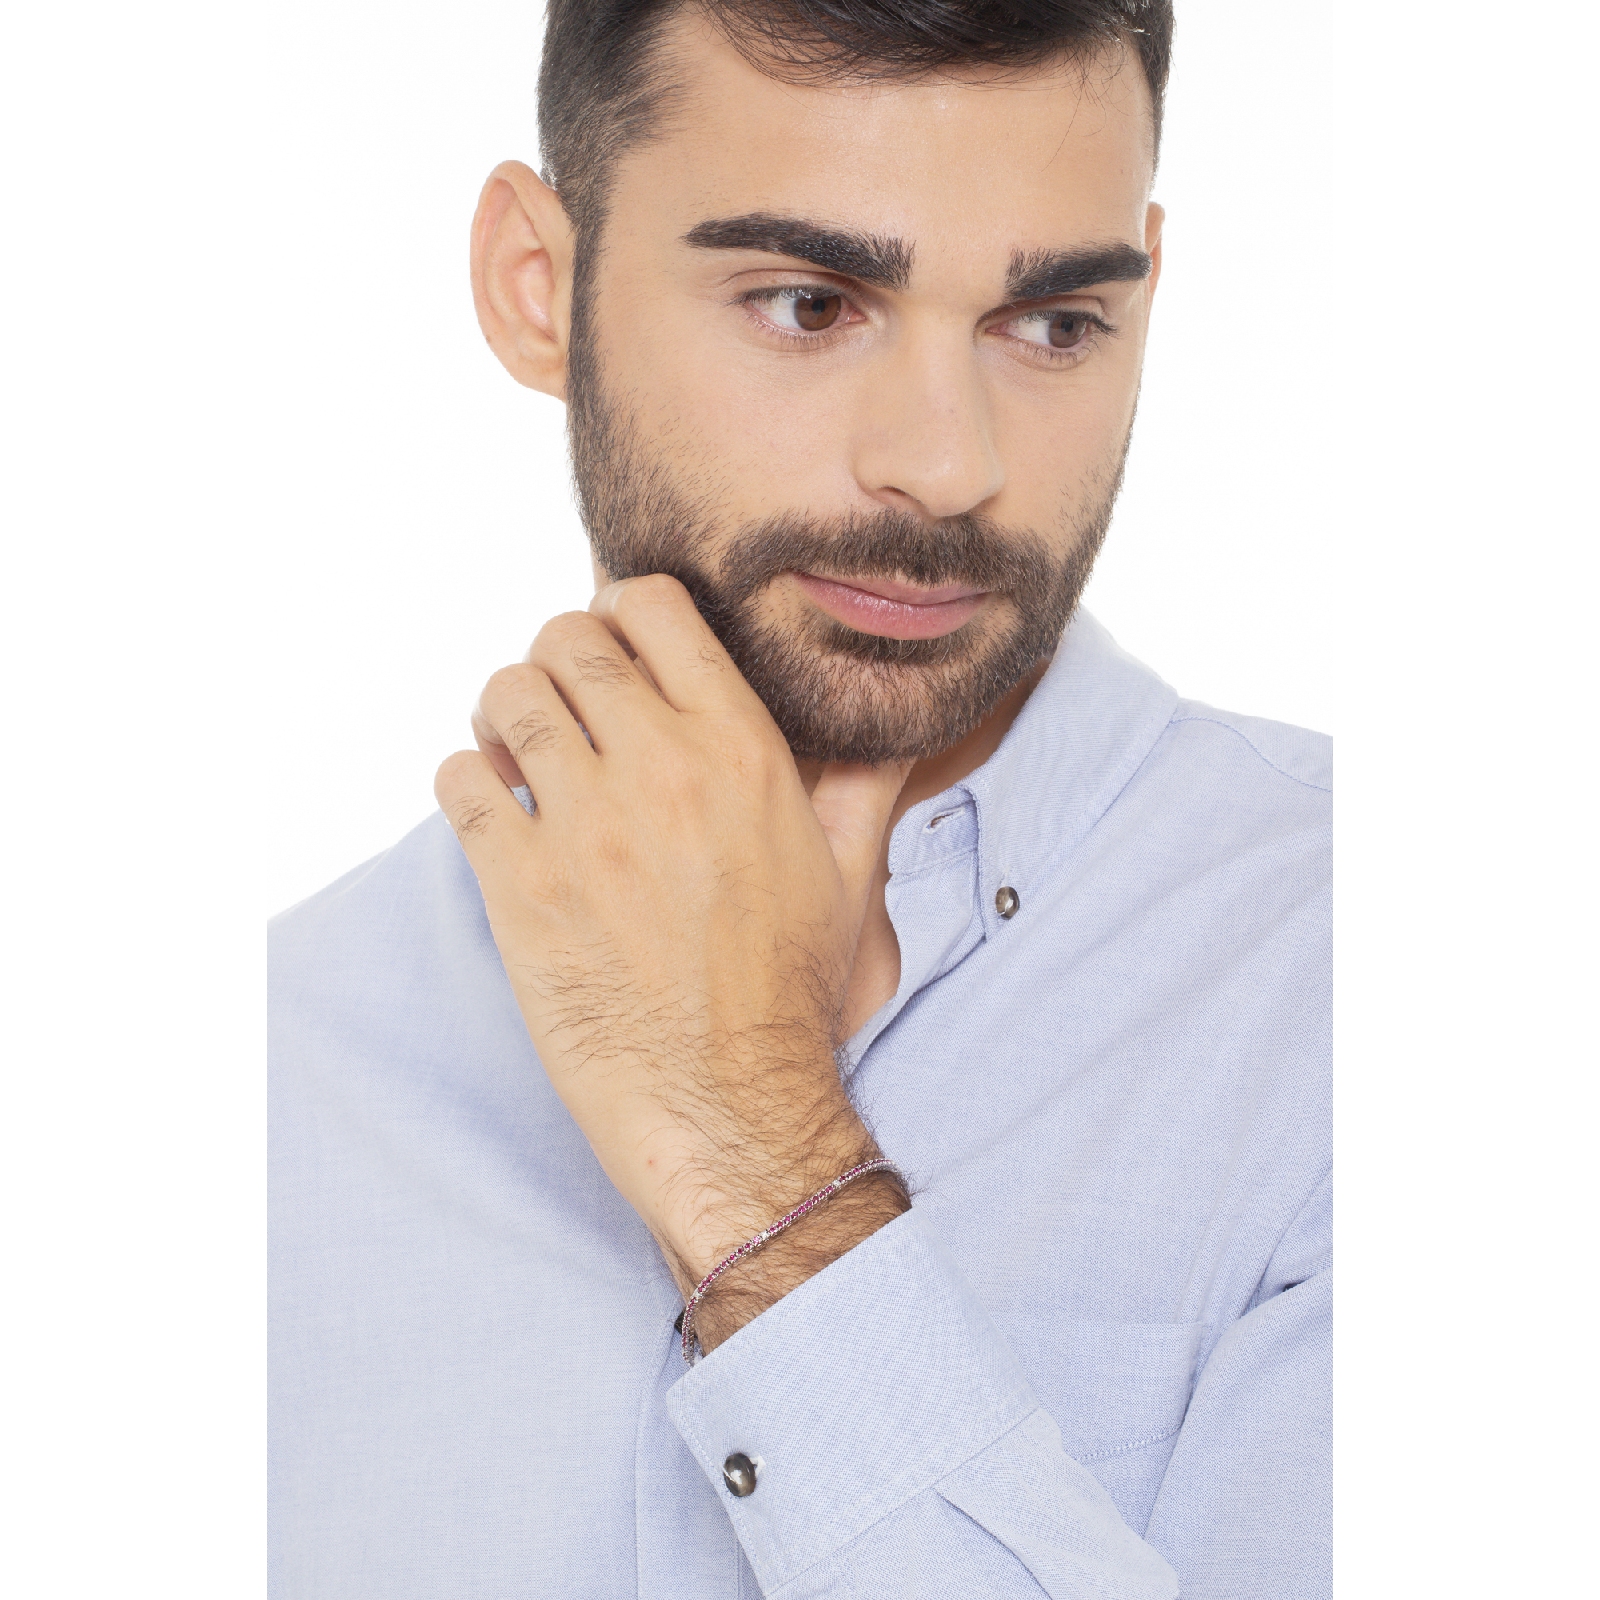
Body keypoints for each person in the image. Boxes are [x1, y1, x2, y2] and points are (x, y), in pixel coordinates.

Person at [269, 2, 1330, 1594]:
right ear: (537, 285)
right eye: (807, 302)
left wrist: (761, 1170)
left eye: (1053, 323)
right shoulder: (263, 1073)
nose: (947, 464)